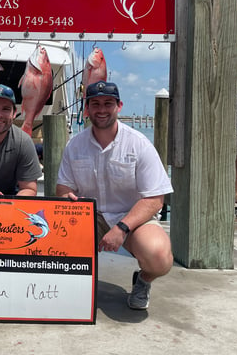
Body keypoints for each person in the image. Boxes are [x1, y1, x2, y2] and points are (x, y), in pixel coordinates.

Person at [56, 81, 173, 310]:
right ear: (86, 109)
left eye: (108, 103)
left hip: (131, 219)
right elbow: (63, 189)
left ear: (119, 106)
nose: (101, 109)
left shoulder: (139, 144)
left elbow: (155, 199)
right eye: (95, 104)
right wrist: (67, 199)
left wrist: (121, 228)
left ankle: (144, 280)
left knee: (159, 257)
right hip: (88, 217)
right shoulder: (74, 145)